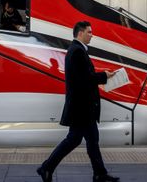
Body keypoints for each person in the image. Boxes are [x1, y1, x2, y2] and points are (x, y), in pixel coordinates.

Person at [37, 21, 119, 182]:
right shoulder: (77, 52)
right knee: (75, 139)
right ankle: (46, 167)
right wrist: (104, 76)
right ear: (80, 33)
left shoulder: (77, 50)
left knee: (91, 140)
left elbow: (84, 77)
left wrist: (102, 76)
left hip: (83, 107)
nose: (92, 35)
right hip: (82, 107)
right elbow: (85, 79)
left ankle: (99, 173)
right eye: (89, 32)